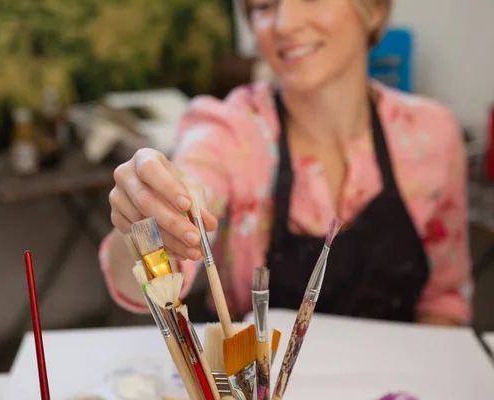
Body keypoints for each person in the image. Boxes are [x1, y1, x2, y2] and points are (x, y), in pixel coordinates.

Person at [99, 0, 473, 326]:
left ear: (373, 9)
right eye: (263, 6)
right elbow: (156, 275)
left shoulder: (431, 133)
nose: (284, 24)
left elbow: (444, 300)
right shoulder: (230, 129)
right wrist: (150, 220)